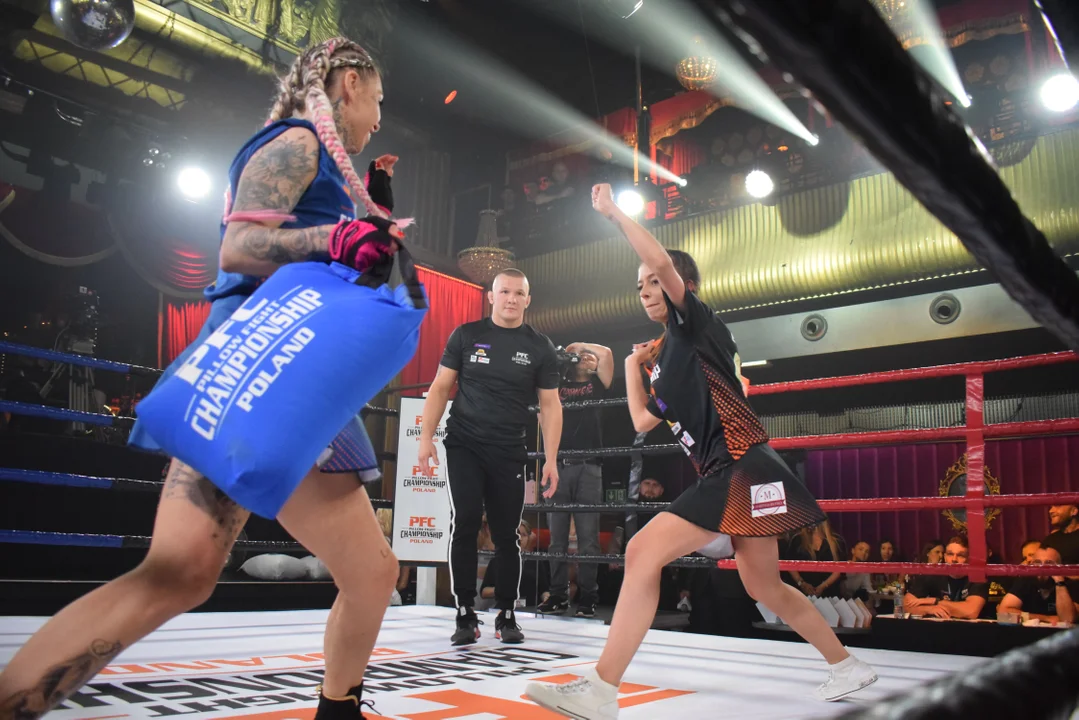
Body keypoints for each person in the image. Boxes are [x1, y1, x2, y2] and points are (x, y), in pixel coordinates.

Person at [0, 38, 405, 720]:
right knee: (180, 571)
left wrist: (367, 226)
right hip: (254, 368)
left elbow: (324, 266)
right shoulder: (296, 142)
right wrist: (333, 240)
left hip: (299, 372)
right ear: (348, 83)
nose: (380, 116)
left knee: (371, 574)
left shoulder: (324, 166)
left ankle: (339, 713)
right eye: (378, 98)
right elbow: (239, 249)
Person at [526, 184, 876, 719]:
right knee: (764, 585)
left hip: (738, 465)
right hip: (742, 470)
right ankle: (845, 665)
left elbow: (662, 261)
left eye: (652, 281)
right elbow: (643, 420)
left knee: (642, 552)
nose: (645, 290)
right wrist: (631, 366)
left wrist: (615, 214)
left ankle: (602, 686)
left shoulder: (697, 324)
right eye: (639, 286)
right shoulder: (668, 356)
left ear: (681, 286)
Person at [417, 268, 563, 646]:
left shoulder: (540, 347)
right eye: (505, 292)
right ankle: (465, 611)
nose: (511, 299)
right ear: (492, 296)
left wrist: (550, 459)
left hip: (509, 449)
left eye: (519, 293)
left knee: (506, 533)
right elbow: (440, 387)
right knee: (465, 520)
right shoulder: (466, 335)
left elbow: (550, 405)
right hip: (464, 443)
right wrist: (426, 438)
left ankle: (506, 613)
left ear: (528, 300)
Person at [539, 342, 614, 619]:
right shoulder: (557, 383)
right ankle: (558, 595)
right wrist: (565, 357)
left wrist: (580, 346)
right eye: (579, 357)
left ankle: (588, 597)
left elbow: (607, 354)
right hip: (558, 464)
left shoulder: (598, 385)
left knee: (588, 538)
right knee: (556, 537)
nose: (585, 359)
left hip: (589, 466)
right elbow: (543, 412)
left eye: (588, 357)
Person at [904, 536, 988, 619]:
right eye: (950, 554)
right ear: (945, 557)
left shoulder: (977, 577)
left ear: (969, 559)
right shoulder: (934, 575)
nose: (954, 559)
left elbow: (971, 612)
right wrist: (929, 609)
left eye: (960, 555)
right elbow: (906, 604)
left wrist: (935, 601)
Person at [997, 546, 1076, 624]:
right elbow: (1003, 611)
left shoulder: (1070, 584)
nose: (1042, 567)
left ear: (1060, 566)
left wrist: (1059, 582)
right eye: (1037, 562)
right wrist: (1047, 618)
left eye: (1049, 563)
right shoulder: (1025, 581)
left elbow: (1068, 619)